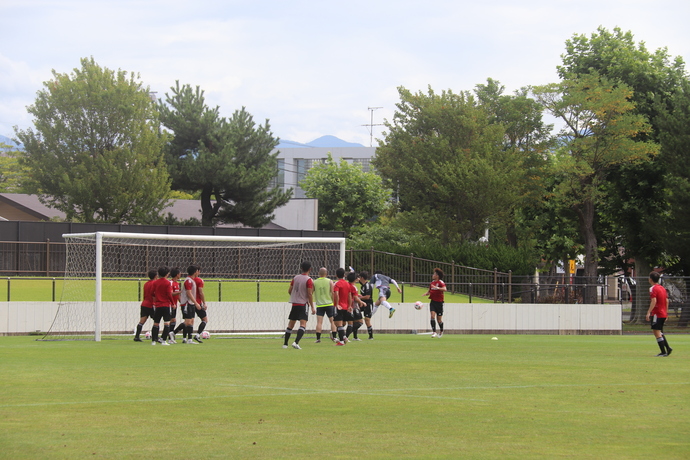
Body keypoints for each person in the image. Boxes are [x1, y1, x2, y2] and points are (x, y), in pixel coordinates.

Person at [283, 261, 315, 349]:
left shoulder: (295, 278)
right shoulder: (309, 280)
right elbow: (309, 294)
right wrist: (312, 306)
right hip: (303, 304)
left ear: (301, 268)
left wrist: (295, 297)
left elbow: (290, 291)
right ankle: (296, 342)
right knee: (303, 324)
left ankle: (285, 344)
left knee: (291, 324)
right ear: (310, 269)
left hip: (294, 304)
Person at [646, 271, 673, 357]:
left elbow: (654, 301)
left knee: (656, 332)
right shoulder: (662, 288)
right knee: (659, 331)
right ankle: (668, 348)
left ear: (650, 279)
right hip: (663, 313)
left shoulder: (653, 288)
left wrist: (649, 312)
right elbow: (666, 301)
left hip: (657, 313)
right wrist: (666, 312)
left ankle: (663, 352)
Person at [333, 268, 358, 346]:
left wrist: (337, 304)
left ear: (336, 275)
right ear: (344, 275)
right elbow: (349, 295)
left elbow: (336, 294)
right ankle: (344, 337)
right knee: (339, 323)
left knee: (338, 324)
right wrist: (350, 306)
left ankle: (342, 340)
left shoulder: (337, 284)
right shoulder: (347, 284)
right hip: (346, 306)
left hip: (339, 306)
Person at [151, 266, 174, 346]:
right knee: (167, 323)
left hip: (158, 306)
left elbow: (152, 293)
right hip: (166, 305)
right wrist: (173, 303)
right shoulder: (168, 283)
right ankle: (164, 341)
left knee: (156, 323)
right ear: (167, 274)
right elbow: (169, 294)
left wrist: (155, 301)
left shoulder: (155, 282)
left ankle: (153, 341)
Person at [179, 265, 201, 344]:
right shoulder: (188, 281)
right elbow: (189, 293)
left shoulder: (192, 280)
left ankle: (189, 339)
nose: (198, 272)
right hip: (187, 303)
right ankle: (173, 333)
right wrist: (196, 303)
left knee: (191, 321)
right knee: (188, 322)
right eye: (197, 271)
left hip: (190, 303)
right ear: (195, 272)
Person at [313, 267, 337, 343]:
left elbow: (311, 292)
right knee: (332, 321)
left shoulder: (315, 282)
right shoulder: (330, 281)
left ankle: (318, 338)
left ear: (318, 273)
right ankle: (335, 337)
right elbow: (332, 292)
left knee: (319, 322)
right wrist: (334, 302)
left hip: (320, 304)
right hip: (329, 303)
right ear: (326, 274)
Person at [134, 269, 157, 342]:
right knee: (156, 321)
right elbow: (154, 294)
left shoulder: (146, 283)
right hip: (151, 304)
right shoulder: (154, 283)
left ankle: (137, 337)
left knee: (142, 321)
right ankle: (155, 337)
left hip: (144, 304)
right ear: (156, 276)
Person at [424, 267, 447, 338]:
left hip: (439, 303)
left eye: (434, 274)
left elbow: (445, 289)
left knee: (439, 320)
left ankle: (441, 331)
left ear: (437, 276)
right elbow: (429, 290)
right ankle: (434, 332)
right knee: (432, 316)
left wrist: (437, 288)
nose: (433, 275)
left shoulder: (441, 282)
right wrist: (426, 293)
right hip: (433, 302)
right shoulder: (432, 283)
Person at [358, 271, 376, 340]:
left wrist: (358, 297)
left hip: (368, 304)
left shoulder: (367, 286)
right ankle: (355, 336)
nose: (358, 279)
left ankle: (371, 336)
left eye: (359, 277)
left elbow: (368, 296)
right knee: (356, 318)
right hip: (362, 303)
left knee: (367, 320)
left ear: (362, 278)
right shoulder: (362, 285)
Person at [192, 268, 208, 343]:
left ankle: (186, 338)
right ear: (196, 271)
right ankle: (197, 335)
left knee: (188, 321)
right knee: (204, 320)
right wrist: (204, 302)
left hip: (189, 303)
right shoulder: (199, 280)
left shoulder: (188, 280)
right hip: (197, 303)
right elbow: (201, 293)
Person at [167, 267, 181, 344]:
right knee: (171, 320)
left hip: (174, 305)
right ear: (177, 274)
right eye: (179, 274)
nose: (180, 275)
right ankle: (169, 337)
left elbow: (177, 295)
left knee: (172, 320)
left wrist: (181, 302)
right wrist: (180, 292)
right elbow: (171, 293)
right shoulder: (171, 283)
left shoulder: (177, 284)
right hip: (170, 305)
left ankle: (169, 337)